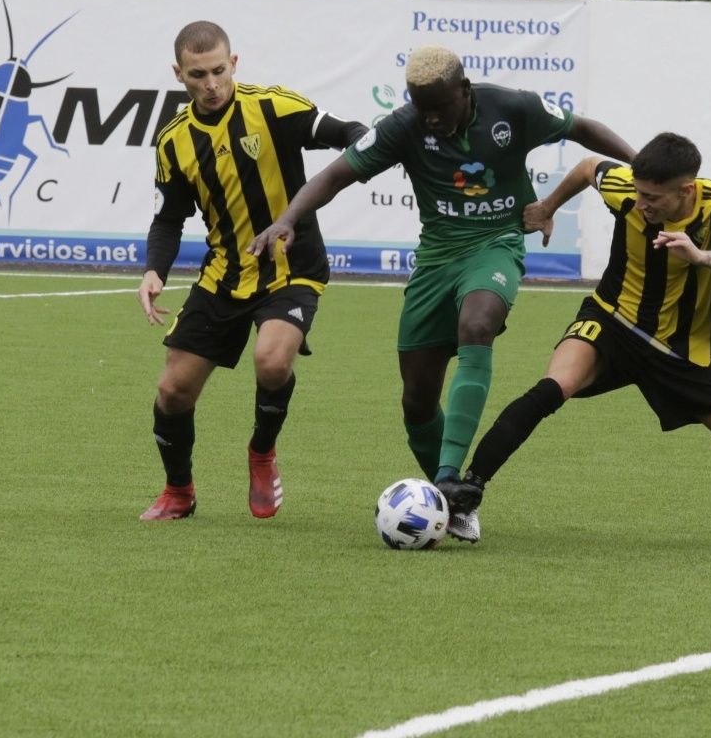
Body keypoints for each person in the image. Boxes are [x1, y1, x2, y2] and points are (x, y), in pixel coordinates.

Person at [248, 45, 633, 542]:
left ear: (464, 90)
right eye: (420, 107)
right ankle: (450, 501)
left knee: (477, 325)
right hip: (434, 260)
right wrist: (287, 218)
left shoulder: (512, 108)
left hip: (496, 245)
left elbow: (584, 129)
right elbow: (335, 175)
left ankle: (451, 479)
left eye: (440, 108)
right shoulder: (404, 125)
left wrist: (641, 165)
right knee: (416, 401)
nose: (430, 119)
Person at [439, 132, 711, 551]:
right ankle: (468, 496)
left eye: (653, 197)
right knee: (552, 388)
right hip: (611, 320)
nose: (642, 203)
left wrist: (701, 256)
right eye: (639, 193)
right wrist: (547, 207)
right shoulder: (625, 187)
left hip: (677, 347)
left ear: (686, 190)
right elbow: (589, 167)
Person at [137, 21, 367, 522]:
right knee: (172, 391)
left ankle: (262, 451)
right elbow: (169, 218)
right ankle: (179, 491)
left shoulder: (271, 107)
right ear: (179, 74)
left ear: (234, 63)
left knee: (272, 360)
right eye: (198, 75)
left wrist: (371, 147)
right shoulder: (173, 142)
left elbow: (348, 133)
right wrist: (154, 269)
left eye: (220, 70)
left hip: (292, 265)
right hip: (224, 273)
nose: (212, 83)